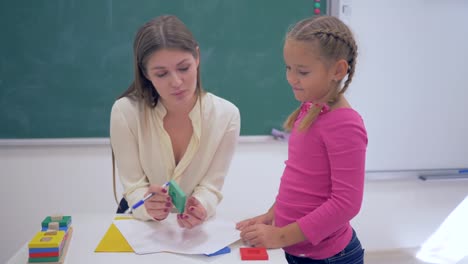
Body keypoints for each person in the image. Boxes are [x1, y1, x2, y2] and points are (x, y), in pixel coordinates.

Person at [236, 16, 367, 263]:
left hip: (331, 257)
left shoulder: (345, 124)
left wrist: (280, 237)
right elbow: (299, 180)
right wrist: (272, 215)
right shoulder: (311, 108)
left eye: (302, 71)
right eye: (288, 68)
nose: (291, 78)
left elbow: (346, 204)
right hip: (299, 249)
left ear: (337, 70)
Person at [110, 15, 240, 229]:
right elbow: (133, 187)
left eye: (184, 68)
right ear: (146, 74)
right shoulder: (125, 112)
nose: (177, 82)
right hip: (143, 228)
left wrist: (202, 206)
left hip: (192, 232)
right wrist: (146, 205)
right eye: (161, 74)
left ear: (197, 57)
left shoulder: (226, 115)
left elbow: (211, 186)